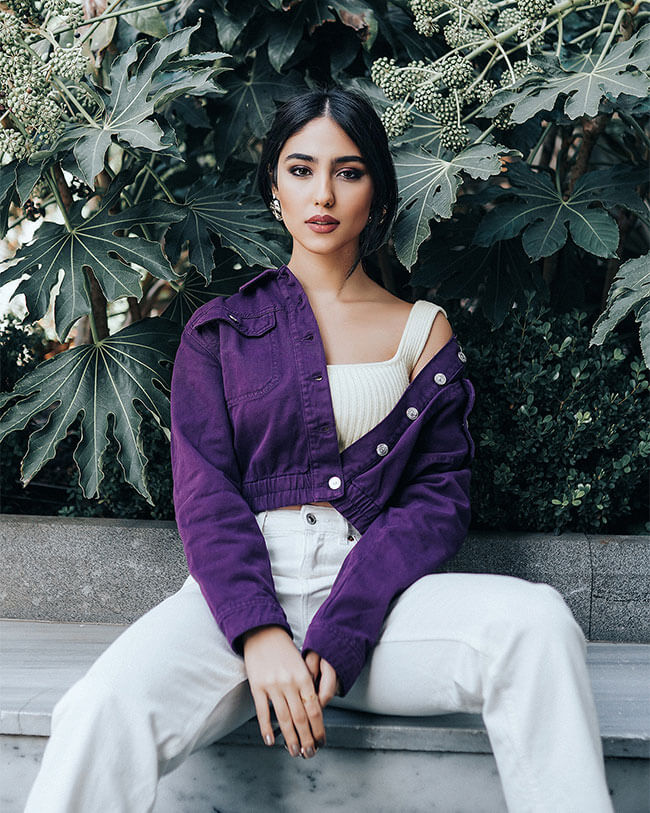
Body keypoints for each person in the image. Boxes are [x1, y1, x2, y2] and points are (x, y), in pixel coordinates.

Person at [24, 87, 614, 813]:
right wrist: (260, 630)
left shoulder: (421, 331)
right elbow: (206, 497)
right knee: (95, 711)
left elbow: (437, 501)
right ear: (274, 186)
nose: (323, 193)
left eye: (349, 171)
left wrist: (342, 629)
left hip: (378, 602)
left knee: (540, 623)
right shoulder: (219, 330)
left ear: (378, 192)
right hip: (235, 603)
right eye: (301, 170)